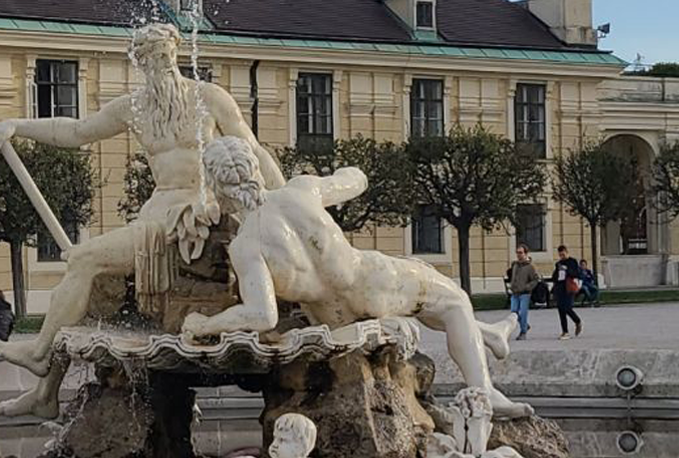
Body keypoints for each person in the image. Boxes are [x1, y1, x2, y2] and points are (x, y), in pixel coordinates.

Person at [0, 22, 285, 418]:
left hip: (200, 216)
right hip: (157, 215)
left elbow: (253, 149)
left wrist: (283, 202)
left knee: (84, 260)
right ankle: (46, 391)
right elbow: (75, 130)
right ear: (139, 62)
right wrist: (18, 126)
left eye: (165, 56)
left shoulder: (209, 98)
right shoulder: (134, 108)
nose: (160, 64)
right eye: (149, 58)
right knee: (88, 282)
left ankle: (41, 356)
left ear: (176, 54)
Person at [182, 137, 532, 418]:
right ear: (255, 169)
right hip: (370, 282)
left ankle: (492, 337)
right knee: (454, 302)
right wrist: (348, 170)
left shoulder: (246, 247)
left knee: (425, 289)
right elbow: (356, 179)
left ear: (217, 186)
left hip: (334, 318)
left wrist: (204, 324)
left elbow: (262, 315)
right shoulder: (300, 190)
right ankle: (483, 386)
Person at [506, 244, 540, 340]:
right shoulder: (515, 265)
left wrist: (527, 287)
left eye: (520, 252)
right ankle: (525, 325)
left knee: (523, 313)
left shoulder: (530, 267)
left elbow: (535, 280)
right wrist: (512, 285)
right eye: (517, 252)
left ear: (525, 253)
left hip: (525, 293)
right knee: (514, 312)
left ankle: (523, 332)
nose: (519, 255)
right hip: (515, 292)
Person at [551, 245, 582, 339]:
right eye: (560, 255)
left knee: (567, 307)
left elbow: (576, 274)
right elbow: (555, 276)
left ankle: (577, 321)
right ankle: (565, 331)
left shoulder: (572, 262)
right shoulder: (558, 263)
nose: (562, 256)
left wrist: (567, 270)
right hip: (560, 287)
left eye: (563, 254)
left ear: (567, 252)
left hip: (569, 287)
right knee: (561, 309)